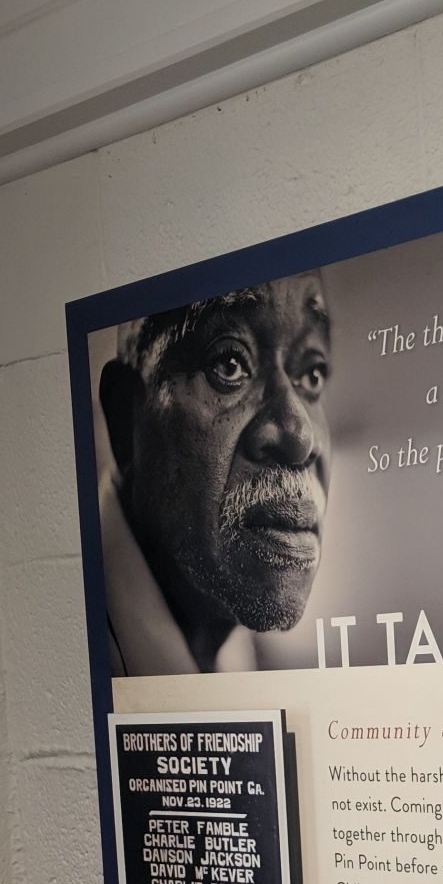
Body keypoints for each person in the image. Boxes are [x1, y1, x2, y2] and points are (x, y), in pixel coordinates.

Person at [98, 275, 332, 674]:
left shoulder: (241, 649)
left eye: (312, 374)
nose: (300, 437)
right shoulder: (75, 649)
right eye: (229, 364)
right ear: (125, 422)